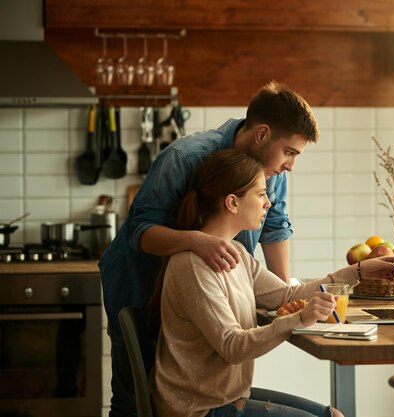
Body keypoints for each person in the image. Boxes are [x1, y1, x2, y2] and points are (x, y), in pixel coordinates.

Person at [99, 81, 320, 417]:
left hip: (204, 288)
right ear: (261, 134)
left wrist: (285, 296)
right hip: (141, 283)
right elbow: (140, 232)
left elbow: (274, 226)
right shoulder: (185, 157)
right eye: (289, 152)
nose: (290, 165)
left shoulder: (272, 169)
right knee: (134, 399)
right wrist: (195, 241)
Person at [150, 149, 394, 417]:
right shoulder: (193, 265)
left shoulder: (236, 252)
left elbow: (285, 295)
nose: (268, 203)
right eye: (261, 194)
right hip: (198, 409)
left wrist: (358, 271)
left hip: (223, 397)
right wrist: (299, 318)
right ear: (232, 203)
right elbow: (232, 346)